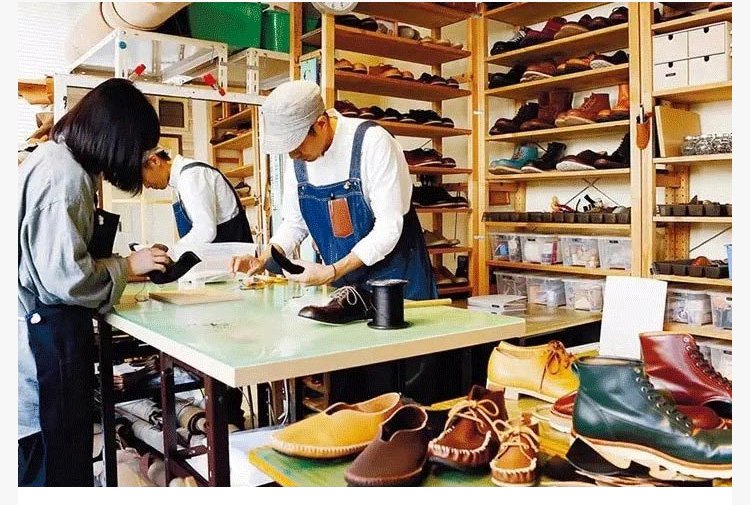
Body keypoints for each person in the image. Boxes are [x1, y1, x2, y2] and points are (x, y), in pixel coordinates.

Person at [231, 80, 453, 404]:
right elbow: (294, 223)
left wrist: (332, 270)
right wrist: (265, 256)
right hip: (347, 291)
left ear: (321, 123)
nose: (293, 155)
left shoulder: (373, 143)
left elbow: (389, 227)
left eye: (297, 145)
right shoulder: (300, 160)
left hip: (398, 286)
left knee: (405, 395)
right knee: (353, 397)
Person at [18, 78, 172, 486]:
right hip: (41, 345)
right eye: (138, 149)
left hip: (47, 337)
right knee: (51, 473)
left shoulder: (57, 161)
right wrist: (126, 265)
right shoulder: (63, 178)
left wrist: (123, 268)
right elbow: (65, 280)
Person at [140, 147, 252, 429]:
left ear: (154, 161)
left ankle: (229, 428)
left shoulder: (193, 176)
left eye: (143, 177)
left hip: (228, 280)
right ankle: (220, 425)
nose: (146, 185)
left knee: (225, 359)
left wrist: (170, 254)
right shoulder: (181, 182)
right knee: (215, 359)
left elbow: (205, 230)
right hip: (215, 282)